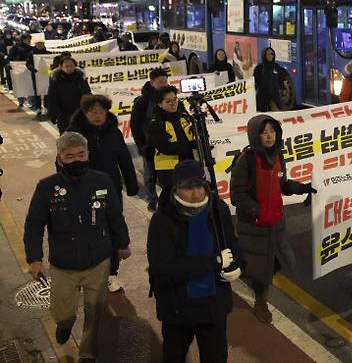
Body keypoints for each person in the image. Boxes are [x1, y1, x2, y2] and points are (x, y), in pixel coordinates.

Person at [23, 132, 131, 363]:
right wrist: (34, 258)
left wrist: (123, 243)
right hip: (63, 265)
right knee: (63, 314)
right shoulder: (46, 188)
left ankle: (87, 354)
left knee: (95, 312)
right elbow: (33, 224)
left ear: (88, 154)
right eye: (69, 156)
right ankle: (65, 325)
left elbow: (114, 215)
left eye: (81, 155)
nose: (76, 160)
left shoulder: (102, 181)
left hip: (98, 261)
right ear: (60, 159)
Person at [148, 160, 242, 363]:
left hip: (213, 305)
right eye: (188, 187)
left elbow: (231, 243)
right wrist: (215, 262)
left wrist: (238, 264)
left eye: (199, 185)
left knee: (216, 357)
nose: (196, 193)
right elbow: (163, 268)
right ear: (176, 189)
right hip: (177, 307)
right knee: (174, 355)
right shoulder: (162, 219)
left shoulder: (218, 208)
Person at [230, 115, 316, 323]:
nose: (269, 136)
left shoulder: (278, 155)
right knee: (261, 267)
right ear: (255, 135)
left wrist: (302, 188)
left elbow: (282, 184)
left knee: (278, 260)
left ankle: (255, 276)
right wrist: (257, 211)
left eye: (272, 131)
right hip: (255, 225)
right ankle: (261, 302)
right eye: (264, 132)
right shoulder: (246, 160)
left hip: (276, 220)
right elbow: (236, 194)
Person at [67, 94, 139, 292]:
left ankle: (111, 273)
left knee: (113, 228)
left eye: (102, 111)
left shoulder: (113, 132)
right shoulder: (74, 135)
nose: (98, 116)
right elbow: (62, 162)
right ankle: (86, 271)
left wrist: (131, 185)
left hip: (111, 190)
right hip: (82, 191)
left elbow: (124, 158)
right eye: (93, 112)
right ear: (85, 112)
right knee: (85, 229)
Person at [130, 68, 169, 211]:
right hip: (150, 145)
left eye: (165, 81)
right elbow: (135, 126)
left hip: (168, 144)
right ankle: (152, 199)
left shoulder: (170, 97)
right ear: (152, 82)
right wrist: (142, 146)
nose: (164, 84)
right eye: (160, 82)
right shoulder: (143, 102)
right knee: (150, 174)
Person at [147, 85, 197, 196]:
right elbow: (166, 148)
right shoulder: (155, 124)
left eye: (175, 99)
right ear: (160, 104)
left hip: (191, 164)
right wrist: (192, 145)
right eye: (168, 101)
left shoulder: (185, 117)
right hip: (169, 171)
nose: (173, 103)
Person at [47, 56, 91, 134]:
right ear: (61, 67)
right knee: (66, 137)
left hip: (80, 113)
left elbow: (87, 94)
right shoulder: (56, 80)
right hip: (63, 115)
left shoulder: (81, 79)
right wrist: (52, 114)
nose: (69, 68)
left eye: (71, 66)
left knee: (82, 136)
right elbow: (51, 98)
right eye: (66, 66)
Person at [253, 47, 290, 112]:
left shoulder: (276, 67)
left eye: (272, 54)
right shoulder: (259, 68)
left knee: (279, 114)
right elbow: (255, 82)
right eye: (268, 54)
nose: (271, 56)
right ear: (264, 55)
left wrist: (283, 88)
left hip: (275, 96)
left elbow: (281, 79)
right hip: (262, 97)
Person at [9, 33, 34, 108]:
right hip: (18, 69)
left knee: (30, 85)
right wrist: (10, 64)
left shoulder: (31, 49)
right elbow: (10, 58)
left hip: (28, 69)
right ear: (22, 40)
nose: (28, 41)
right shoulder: (15, 48)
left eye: (29, 39)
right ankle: (21, 100)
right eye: (26, 39)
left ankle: (31, 101)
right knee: (20, 85)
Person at [28, 36, 49, 117]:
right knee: (37, 92)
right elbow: (28, 63)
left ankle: (47, 106)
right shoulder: (31, 53)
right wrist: (32, 68)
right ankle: (38, 107)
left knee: (47, 91)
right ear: (36, 44)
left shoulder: (48, 53)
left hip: (46, 74)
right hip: (36, 75)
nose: (40, 45)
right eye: (38, 44)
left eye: (41, 44)